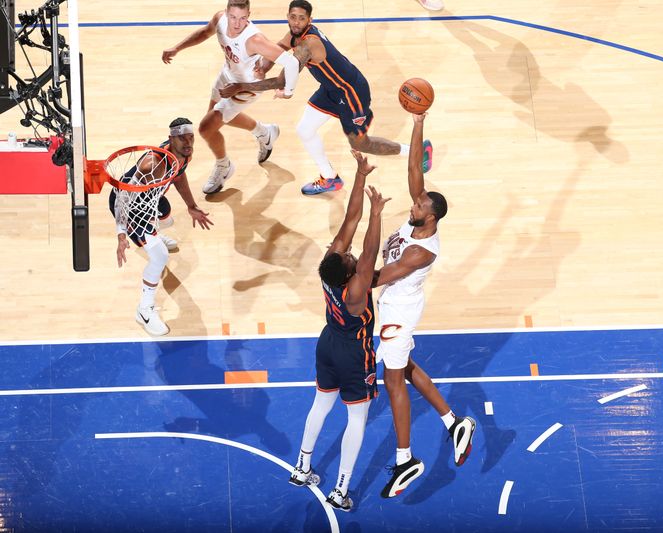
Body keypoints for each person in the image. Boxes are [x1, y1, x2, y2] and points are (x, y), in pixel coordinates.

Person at [219, 0, 433, 196]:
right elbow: (280, 49)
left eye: (301, 18)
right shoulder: (294, 34)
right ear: (288, 16)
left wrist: (241, 86)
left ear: (309, 20)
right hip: (331, 89)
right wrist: (263, 67)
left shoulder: (308, 44)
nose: (296, 21)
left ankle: (416, 151)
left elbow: (282, 81)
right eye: (293, 16)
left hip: (351, 93)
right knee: (304, 129)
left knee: (362, 144)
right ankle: (330, 177)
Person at [373, 112, 475, 499]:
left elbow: (382, 275)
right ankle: (454, 424)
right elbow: (414, 166)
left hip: (398, 313)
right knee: (407, 367)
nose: (412, 204)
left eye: (418, 205)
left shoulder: (421, 251)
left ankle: (406, 460)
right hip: (394, 307)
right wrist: (417, 123)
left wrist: (344, 283)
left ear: (429, 217)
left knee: (393, 380)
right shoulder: (419, 219)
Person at [288, 150, 390, 511]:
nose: (347, 254)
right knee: (357, 418)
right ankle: (340, 489)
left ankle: (302, 467)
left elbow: (350, 220)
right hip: (352, 353)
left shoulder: (329, 264)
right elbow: (369, 250)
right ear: (350, 272)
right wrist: (377, 213)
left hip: (327, 342)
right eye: (350, 261)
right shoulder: (356, 290)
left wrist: (360, 175)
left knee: (321, 404)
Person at [161, 0, 300, 195]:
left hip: (247, 87)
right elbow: (204, 32)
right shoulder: (220, 19)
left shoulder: (254, 40)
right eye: (233, 17)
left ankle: (224, 165)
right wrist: (177, 48)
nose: (237, 24)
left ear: (248, 16)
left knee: (206, 127)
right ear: (226, 13)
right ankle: (264, 132)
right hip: (227, 76)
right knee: (214, 121)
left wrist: (288, 91)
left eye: (243, 18)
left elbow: (292, 63)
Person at [111, 118, 213, 336]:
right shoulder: (152, 164)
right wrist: (121, 234)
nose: (188, 142)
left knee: (167, 218)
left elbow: (179, 175)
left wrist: (191, 206)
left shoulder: (184, 154)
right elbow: (123, 198)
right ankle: (144, 311)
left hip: (151, 199)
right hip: (130, 206)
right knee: (160, 256)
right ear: (170, 139)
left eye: (190, 137)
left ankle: (152, 235)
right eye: (182, 138)